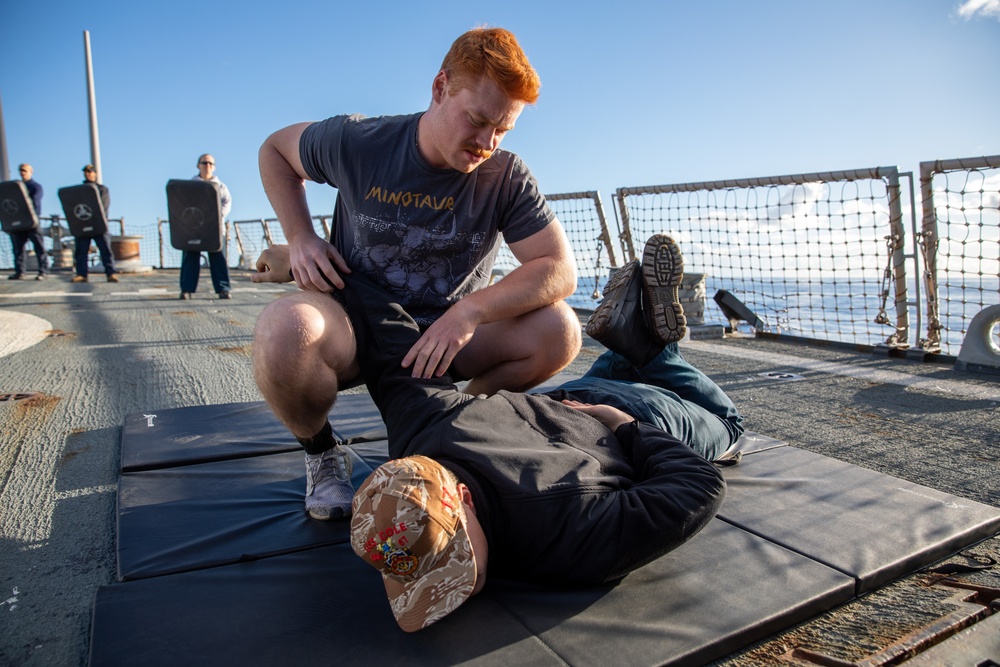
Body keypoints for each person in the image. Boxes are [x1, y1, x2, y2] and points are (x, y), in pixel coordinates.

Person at [250, 27, 581, 521]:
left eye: (503, 130)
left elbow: (557, 269)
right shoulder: (359, 142)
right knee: (284, 332)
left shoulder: (506, 176)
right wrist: (300, 237)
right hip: (357, 324)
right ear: (440, 88)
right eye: (478, 120)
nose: (487, 142)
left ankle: (451, 414)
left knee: (559, 331)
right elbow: (275, 150)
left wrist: (471, 311)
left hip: (446, 338)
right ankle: (321, 454)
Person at [346, 234, 743, 632]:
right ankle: (632, 349)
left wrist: (622, 424)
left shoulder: (567, 534)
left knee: (728, 424)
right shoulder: (422, 422)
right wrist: (325, 266)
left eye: (454, 555)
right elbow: (388, 334)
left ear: (463, 497)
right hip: (567, 400)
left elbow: (700, 484)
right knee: (626, 369)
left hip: (636, 417)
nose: (459, 586)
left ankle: (655, 353)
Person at [180, 154, 232, 299]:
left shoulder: (221, 186)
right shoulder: (190, 186)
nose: (207, 165)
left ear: (214, 167)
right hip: (193, 228)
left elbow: (226, 203)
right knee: (190, 257)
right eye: (204, 162)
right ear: (198, 165)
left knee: (218, 257)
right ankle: (187, 289)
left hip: (215, 228)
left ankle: (223, 289)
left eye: (210, 163)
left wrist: (215, 217)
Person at [72, 165, 118, 283]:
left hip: (99, 225)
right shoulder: (79, 190)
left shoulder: (102, 189)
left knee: (105, 249)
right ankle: (81, 274)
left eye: (90, 172)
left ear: (95, 174)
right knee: (81, 250)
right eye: (86, 172)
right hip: (83, 224)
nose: (87, 174)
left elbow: (104, 206)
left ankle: (111, 273)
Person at [7, 163, 50, 281]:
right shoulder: (15, 188)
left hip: (32, 222)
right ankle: (20, 272)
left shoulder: (36, 187)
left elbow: (35, 203)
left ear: (31, 172)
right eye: (20, 170)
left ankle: (43, 271)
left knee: (39, 247)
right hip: (19, 223)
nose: (22, 172)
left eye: (25, 170)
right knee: (18, 249)